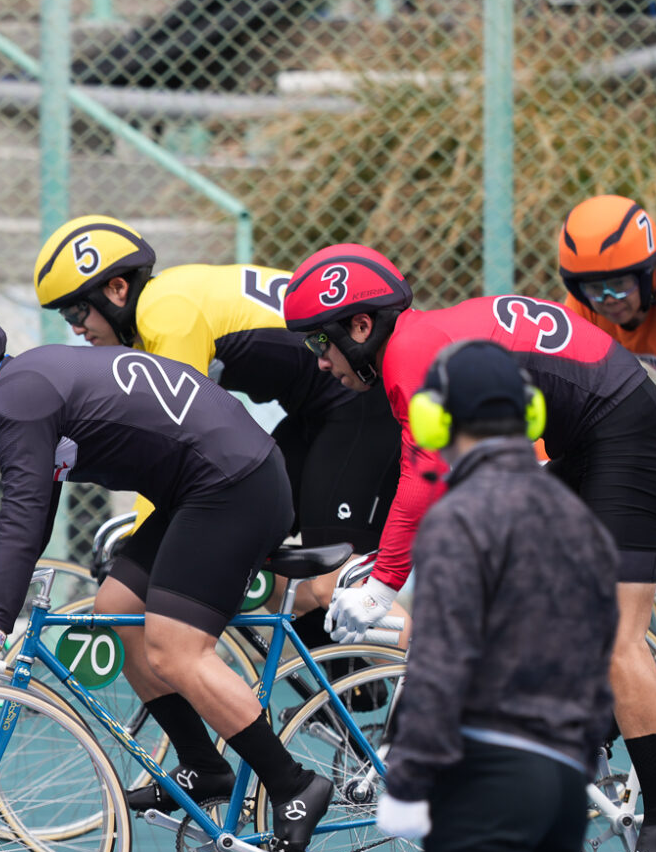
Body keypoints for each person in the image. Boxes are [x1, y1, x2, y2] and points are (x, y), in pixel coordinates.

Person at [0, 296, 333, 852]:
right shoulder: (25, 384)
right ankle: (203, 767)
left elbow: (22, 513)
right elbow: (35, 509)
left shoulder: (18, 395)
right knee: (117, 613)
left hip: (230, 485)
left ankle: (295, 785)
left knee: (175, 648)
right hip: (207, 484)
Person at [289, 243, 656, 852]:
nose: (322, 363)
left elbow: (423, 472)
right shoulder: (418, 343)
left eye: (319, 345)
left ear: (360, 326)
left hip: (623, 437)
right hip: (589, 435)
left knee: (619, 637)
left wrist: (386, 580)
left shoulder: (411, 354)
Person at [374, 339, 618, 852]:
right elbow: (605, 656)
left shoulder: (459, 519)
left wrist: (408, 779)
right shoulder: (578, 521)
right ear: (531, 416)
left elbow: (441, 660)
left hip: (483, 777)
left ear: (438, 419)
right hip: (563, 779)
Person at [34, 214, 401, 656]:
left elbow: (176, 441)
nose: (74, 327)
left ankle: (450, 684)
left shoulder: (165, 316)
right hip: (316, 415)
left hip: (356, 408)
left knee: (334, 587)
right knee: (255, 544)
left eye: (77, 309)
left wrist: (141, 529)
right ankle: (346, 686)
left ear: (117, 290)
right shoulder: (162, 308)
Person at [559, 194, 656, 441]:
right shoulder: (585, 304)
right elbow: (566, 396)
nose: (608, 299)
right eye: (595, 287)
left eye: (619, 283)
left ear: (647, 275)